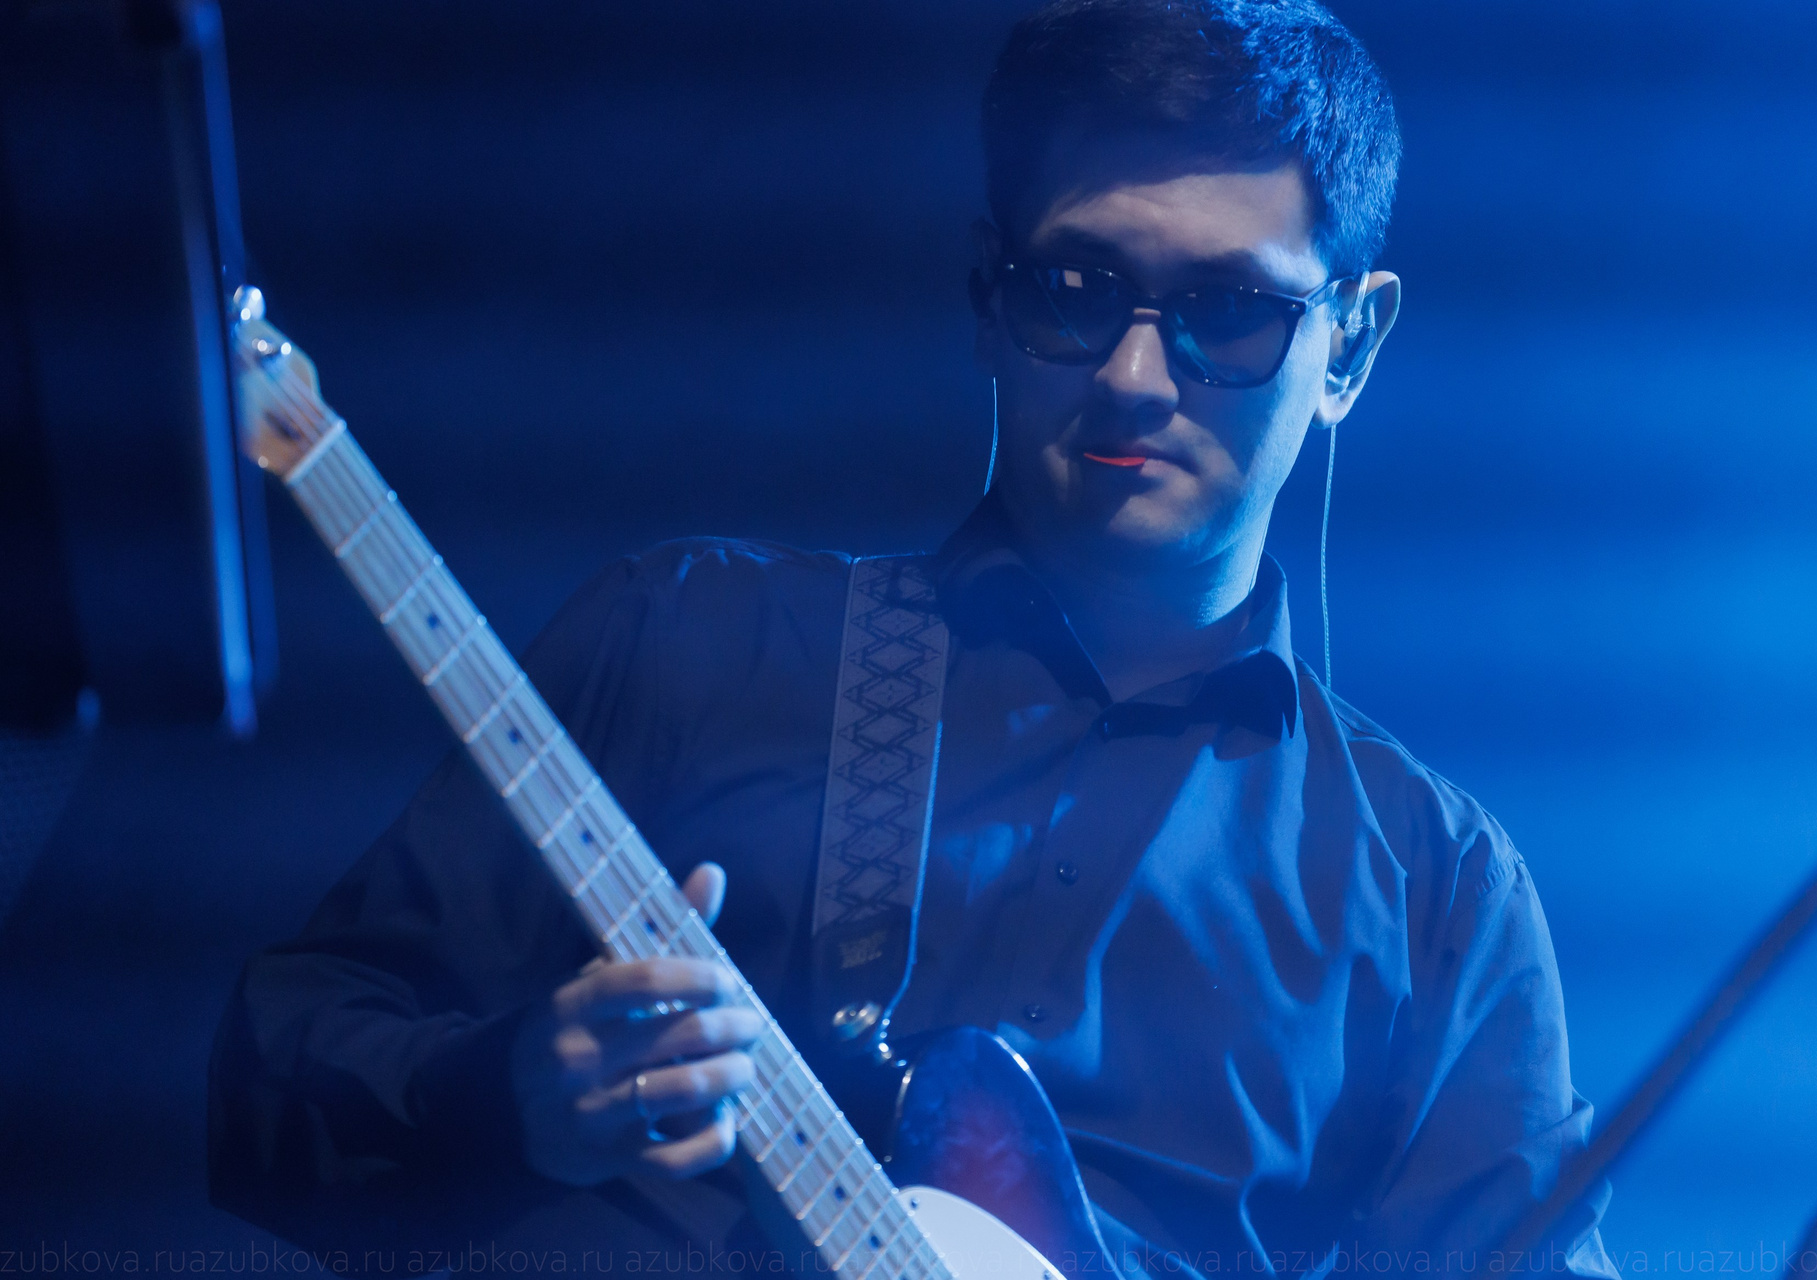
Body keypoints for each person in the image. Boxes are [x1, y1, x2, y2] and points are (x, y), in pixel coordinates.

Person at [210, 1, 1617, 1275]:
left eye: (1229, 312)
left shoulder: (1435, 897)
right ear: (986, 295)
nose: (1135, 376)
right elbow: (265, 1076)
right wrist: (508, 1095)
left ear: (1352, 347)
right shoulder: (691, 644)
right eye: (1075, 290)